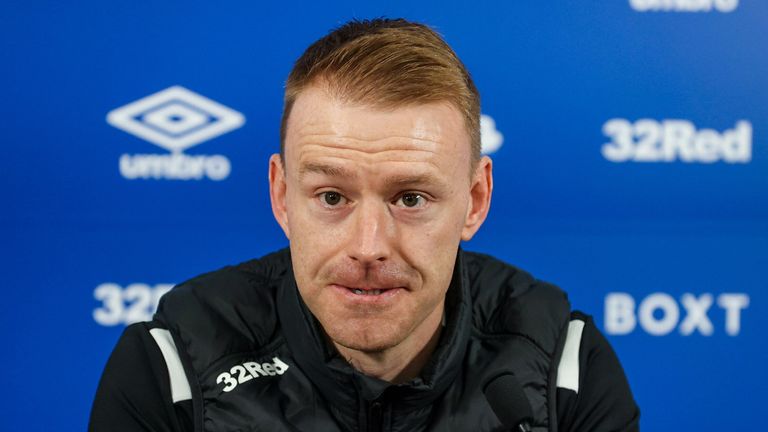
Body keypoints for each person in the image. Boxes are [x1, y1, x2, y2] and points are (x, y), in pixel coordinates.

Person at [90, 18, 639, 432]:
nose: (369, 246)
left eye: (411, 198)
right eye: (332, 196)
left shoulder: (563, 365)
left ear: (474, 200)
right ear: (281, 196)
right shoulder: (172, 366)